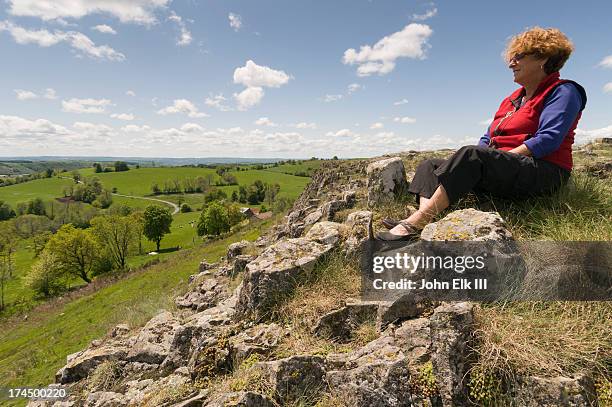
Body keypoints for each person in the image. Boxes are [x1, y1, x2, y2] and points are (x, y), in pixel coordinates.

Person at [376, 27, 587, 241]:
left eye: (519, 57)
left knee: (472, 155)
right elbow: (488, 137)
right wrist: (485, 160)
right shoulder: (512, 99)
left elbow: (548, 139)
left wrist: (498, 159)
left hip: (543, 170)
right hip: (507, 166)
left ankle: (414, 223)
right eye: (511, 57)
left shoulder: (564, 91)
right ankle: (427, 218)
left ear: (543, 58)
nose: (511, 63)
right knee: (429, 165)